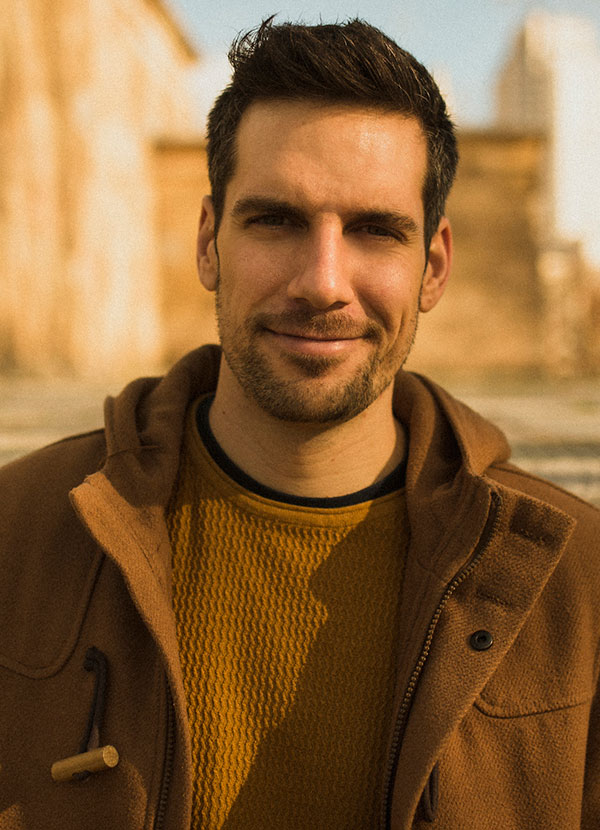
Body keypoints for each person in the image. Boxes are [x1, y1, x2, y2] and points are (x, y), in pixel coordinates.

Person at [0, 17, 598, 830]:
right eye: (276, 220)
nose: (323, 283)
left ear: (433, 266)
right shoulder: (18, 533)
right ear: (208, 243)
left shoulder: (578, 582)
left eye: (375, 231)